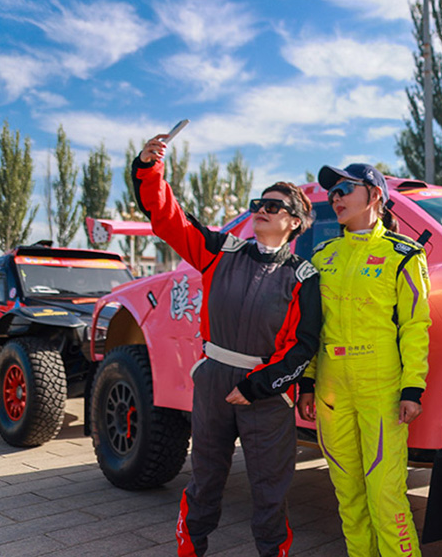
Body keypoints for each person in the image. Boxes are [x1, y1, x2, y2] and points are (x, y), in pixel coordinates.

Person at [134, 134, 322, 556]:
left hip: (267, 393)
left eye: (272, 206)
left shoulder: (304, 277)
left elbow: (303, 346)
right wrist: (149, 169)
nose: (260, 211)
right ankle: (190, 547)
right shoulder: (221, 251)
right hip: (213, 382)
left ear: (294, 221)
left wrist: (258, 387)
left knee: (270, 490)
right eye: (258, 203)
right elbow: (168, 219)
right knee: (206, 479)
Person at [297, 163, 431, 557]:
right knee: (348, 497)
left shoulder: (404, 254)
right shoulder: (323, 256)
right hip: (331, 390)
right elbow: (312, 328)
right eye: (332, 192)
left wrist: (413, 387)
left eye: (344, 189)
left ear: (374, 195)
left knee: (386, 497)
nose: (334, 198)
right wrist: (307, 382)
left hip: (382, 387)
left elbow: (415, 325)